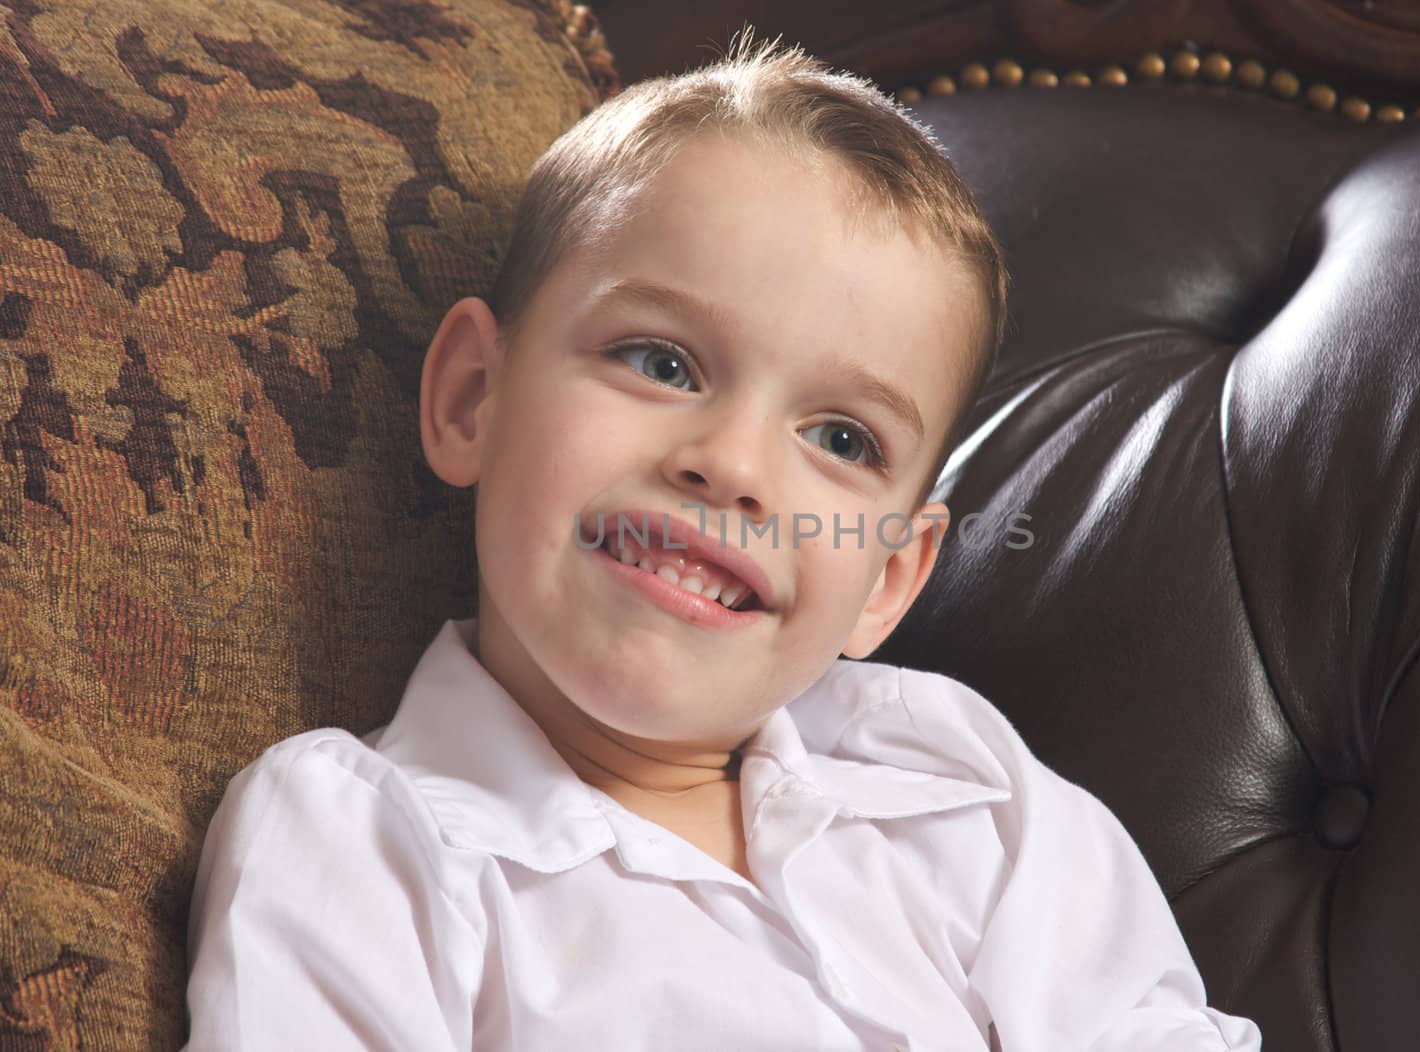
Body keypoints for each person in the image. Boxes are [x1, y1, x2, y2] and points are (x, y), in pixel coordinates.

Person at [183, 35, 1263, 1051]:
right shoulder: (359, 841)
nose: (733, 465)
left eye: (840, 436)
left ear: (888, 576)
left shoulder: (966, 789)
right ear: (474, 397)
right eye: (659, 361)